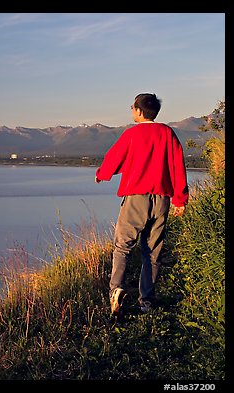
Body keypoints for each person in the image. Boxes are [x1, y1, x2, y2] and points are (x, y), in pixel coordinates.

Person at [95, 93, 188, 315]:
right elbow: (178, 166)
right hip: (162, 199)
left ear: (138, 111)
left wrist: (102, 174)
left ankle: (115, 290)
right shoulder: (167, 133)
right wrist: (180, 200)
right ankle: (146, 301)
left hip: (136, 198)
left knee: (122, 247)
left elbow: (114, 158)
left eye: (132, 107)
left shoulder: (132, 134)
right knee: (153, 251)